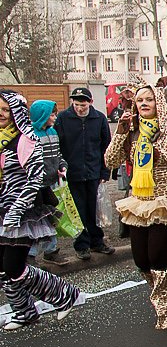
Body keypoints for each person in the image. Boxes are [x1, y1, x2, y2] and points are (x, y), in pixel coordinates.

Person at [105, 85, 167, 329]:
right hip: (140, 202)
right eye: (140, 100)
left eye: (149, 99)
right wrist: (120, 132)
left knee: (157, 257)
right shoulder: (132, 131)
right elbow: (111, 161)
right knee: (142, 261)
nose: (144, 104)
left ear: (159, 103)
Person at [0, 90, 84, 331]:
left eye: (5, 110)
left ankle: (65, 294)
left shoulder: (26, 140)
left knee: (14, 266)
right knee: (3, 268)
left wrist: (17, 209)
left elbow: (35, 179)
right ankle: (24, 311)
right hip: (2, 210)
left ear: (16, 113)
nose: (1, 114)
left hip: (24, 213)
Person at [55, 87, 115, 260]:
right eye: (76, 104)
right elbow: (58, 145)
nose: (80, 108)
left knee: (94, 210)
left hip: (93, 172)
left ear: (90, 103)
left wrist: (105, 172)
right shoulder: (63, 118)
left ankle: (97, 241)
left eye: (83, 105)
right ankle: (81, 245)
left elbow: (106, 147)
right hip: (72, 173)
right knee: (78, 211)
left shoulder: (99, 119)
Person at [27, 100, 68, 266]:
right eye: (52, 114)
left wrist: (62, 166)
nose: (55, 117)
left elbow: (58, 155)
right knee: (35, 220)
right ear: (42, 115)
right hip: (35, 185)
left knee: (51, 218)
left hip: (51, 183)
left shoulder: (52, 132)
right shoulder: (30, 134)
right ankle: (30, 254)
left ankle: (51, 250)